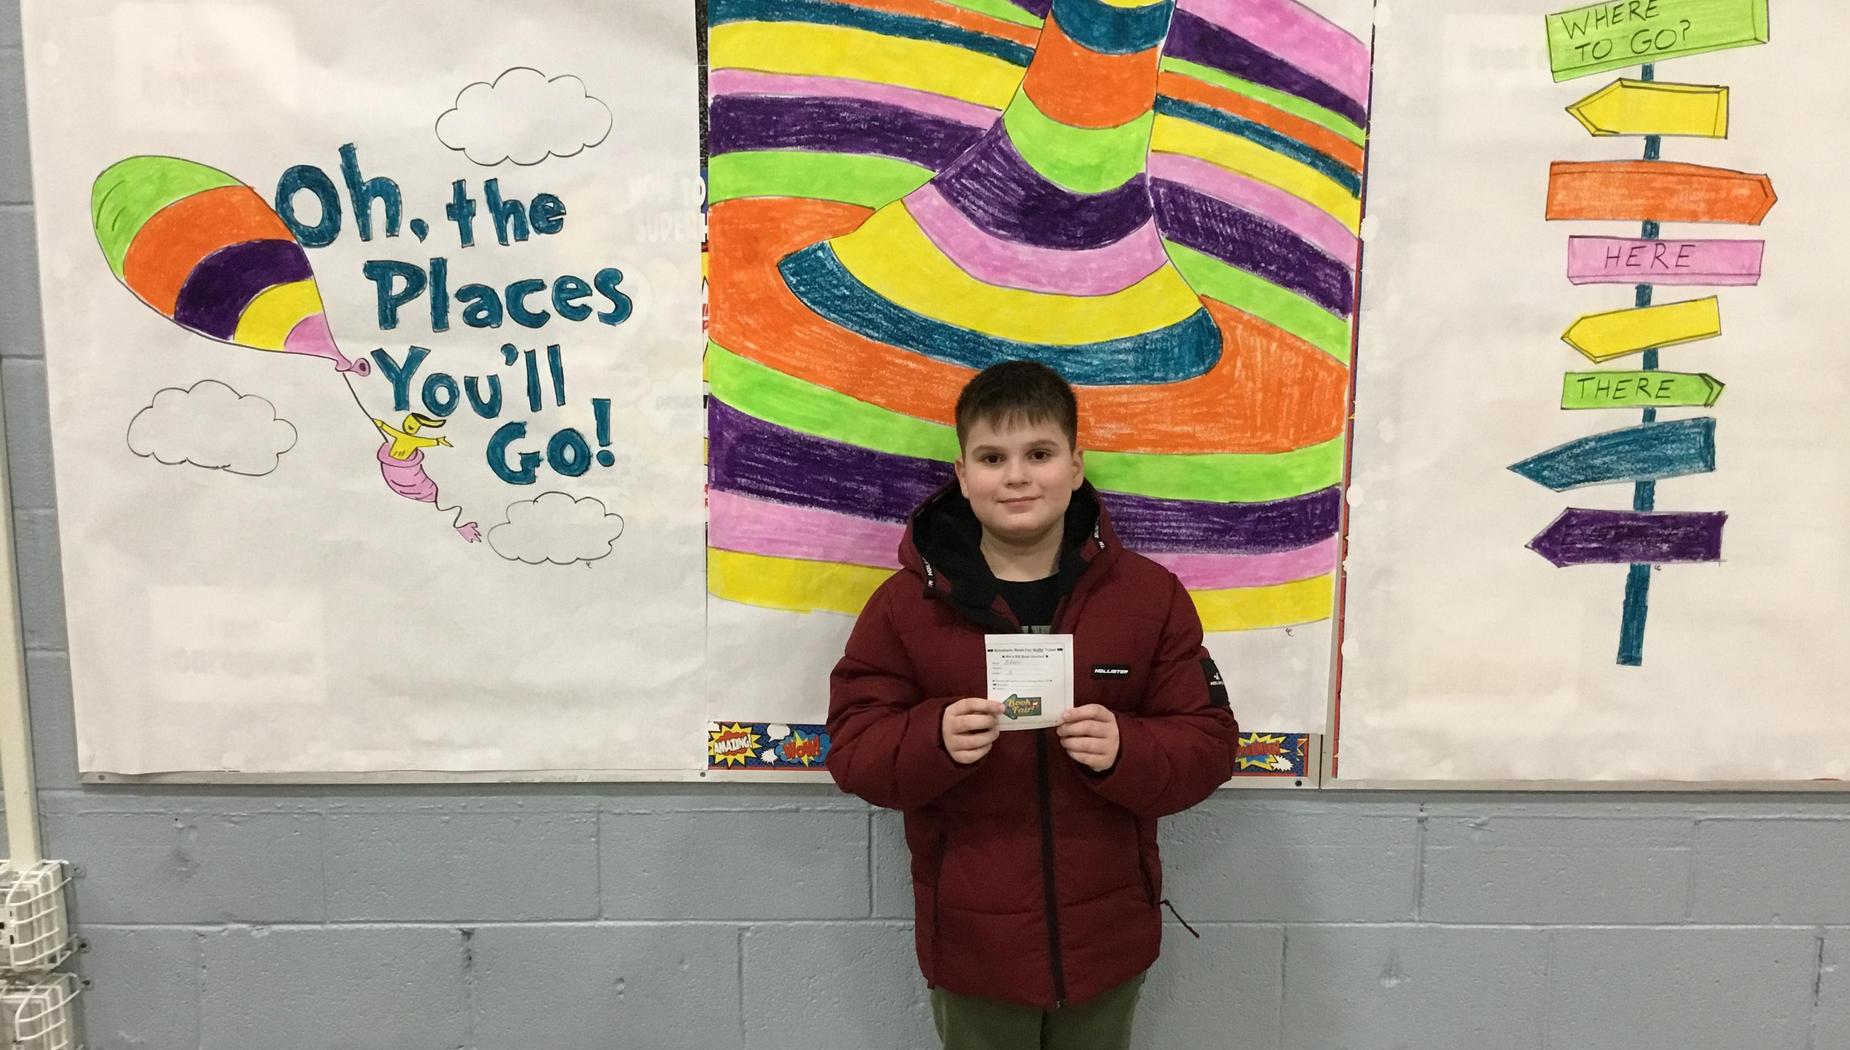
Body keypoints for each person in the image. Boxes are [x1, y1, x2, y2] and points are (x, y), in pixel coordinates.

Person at [826, 360, 1241, 1050]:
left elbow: (1209, 742)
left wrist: (1127, 750)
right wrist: (933, 738)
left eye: (1039, 454)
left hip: (1108, 942)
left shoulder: (1149, 597)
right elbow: (852, 748)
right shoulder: (904, 606)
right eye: (992, 457)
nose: (1016, 476)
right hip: (973, 948)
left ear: (1076, 466)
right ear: (962, 474)